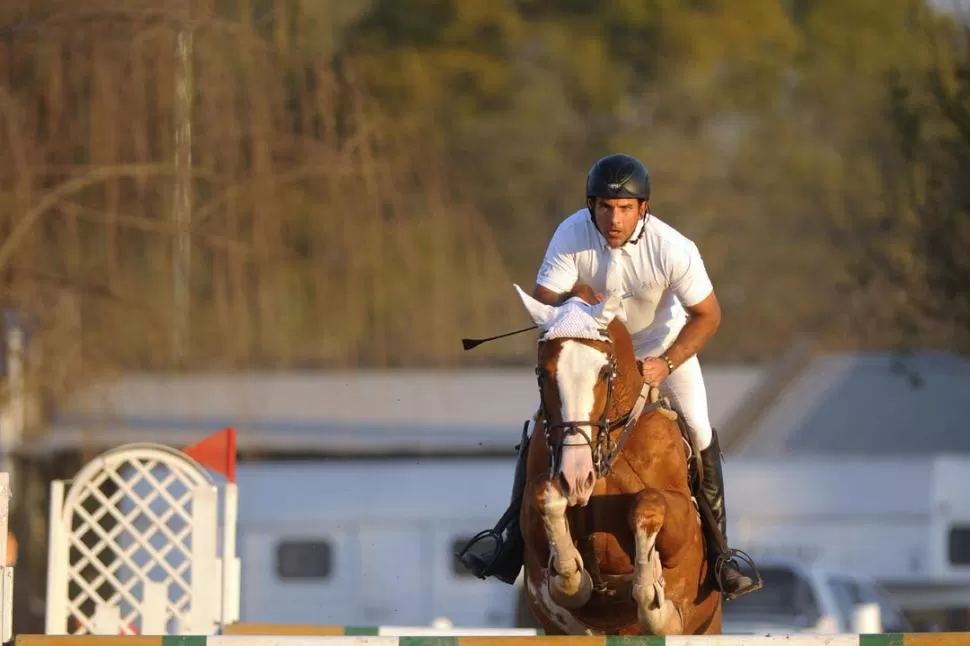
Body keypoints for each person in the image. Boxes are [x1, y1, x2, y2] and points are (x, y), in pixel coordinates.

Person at [455, 153, 761, 600]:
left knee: (697, 428)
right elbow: (545, 300)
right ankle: (510, 540)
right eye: (604, 207)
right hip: (593, 351)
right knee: (539, 425)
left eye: (624, 208)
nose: (613, 219)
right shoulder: (571, 232)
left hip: (659, 348)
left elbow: (708, 315)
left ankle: (720, 554)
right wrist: (578, 291)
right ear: (590, 206)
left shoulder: (673, 248)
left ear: (644, 209)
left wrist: (667, 363)